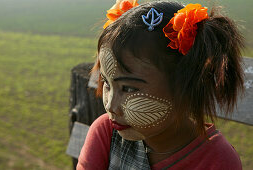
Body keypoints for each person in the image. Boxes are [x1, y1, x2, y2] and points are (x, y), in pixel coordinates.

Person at [77, 0, 244, 169]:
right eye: (107, 83)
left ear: (186, 87)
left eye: (129, 88)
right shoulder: (106, 132)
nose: (110, 105)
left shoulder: (217, 161)